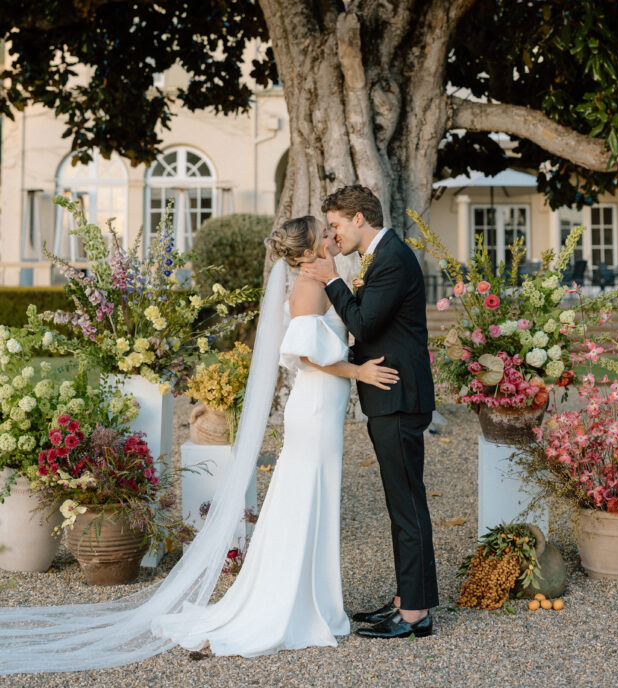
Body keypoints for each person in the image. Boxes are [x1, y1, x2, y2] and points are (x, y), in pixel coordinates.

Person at [0, 215, 398, 672]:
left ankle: (313, 600)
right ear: (308, 250)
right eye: (323, 233)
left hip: (322, 407)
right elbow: (306, 355)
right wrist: (359, 371)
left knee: (311, 496)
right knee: (304, 496)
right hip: (315, 407)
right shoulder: (309, 288)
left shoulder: (319, 280)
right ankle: (293, 605)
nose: (332, 236)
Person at [302, 185, 438, 640]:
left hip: (398, 396)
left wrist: (331, 278)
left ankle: (416, 613)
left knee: (406, 504)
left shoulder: (393, 258)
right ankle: (405, 599)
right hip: (388, 394)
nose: (335, 234)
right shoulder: (381, 258)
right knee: (399, 502)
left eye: (337, 224)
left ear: (359, 218)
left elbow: (362, 323)